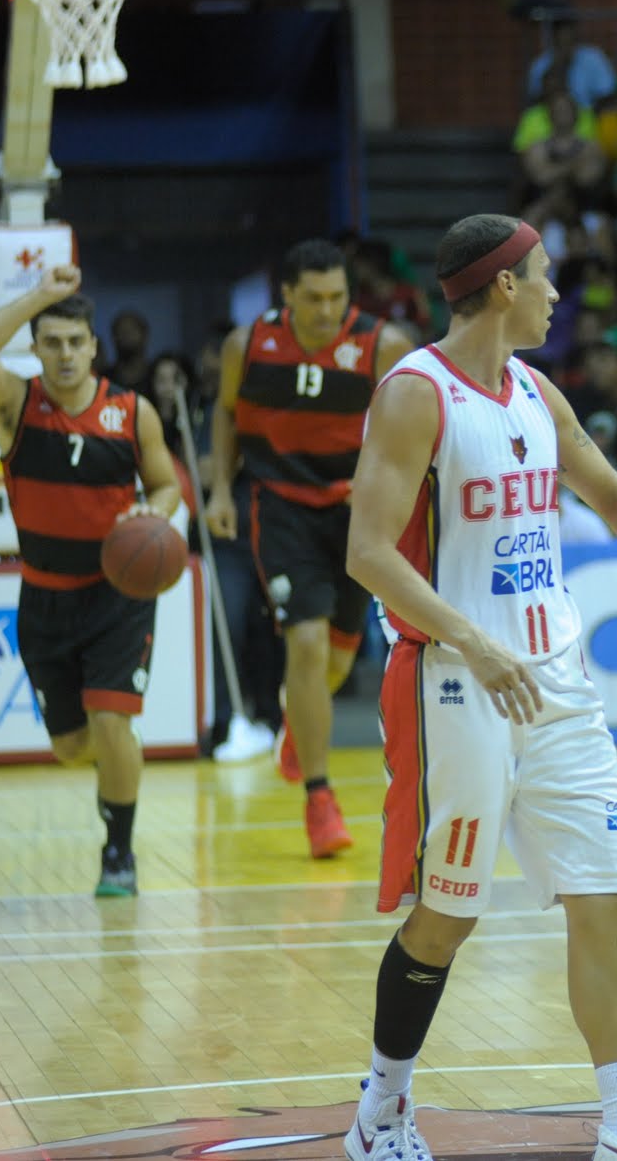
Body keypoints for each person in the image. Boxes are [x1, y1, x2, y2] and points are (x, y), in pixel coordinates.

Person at [340, 214, 617, 1161]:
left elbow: (607, 489)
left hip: (558, 680)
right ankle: (380, 1113)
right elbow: (366, 552)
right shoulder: (415, 394)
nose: (557, 293)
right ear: (504, 286)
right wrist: (473, 640)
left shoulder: (534, 390)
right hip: (458, 685)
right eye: (545, 275)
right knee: (447, 916)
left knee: (606, 899)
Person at [0, 265, 183, 897]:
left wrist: (151, 513)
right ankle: (113, 768)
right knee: (71, 746)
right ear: (34, 348)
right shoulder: (15, 404)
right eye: (51, 342)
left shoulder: (131, 412)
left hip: (118, 594)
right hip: (44, 597)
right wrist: (41, 296)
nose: (64, 354)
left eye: (75, 342)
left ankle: (118, 853)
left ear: (93, 347)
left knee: (111, 722)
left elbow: (166, 485)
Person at [206, 240, 416, 858]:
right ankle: (320, 800)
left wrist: (390, 492)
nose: (328, 311)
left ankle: (301, 723)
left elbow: (410, 429)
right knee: (306, 642)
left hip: (356, 511)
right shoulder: (247, 346)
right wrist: (219, 489)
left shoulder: (384, 345)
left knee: (337, 665)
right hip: (281, 506)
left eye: (338, 298)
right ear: (287, 295)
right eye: (315, 299)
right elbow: (226, 413)